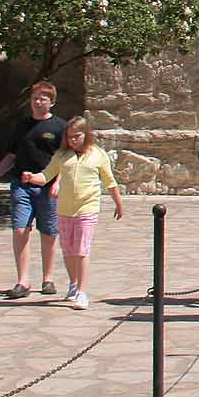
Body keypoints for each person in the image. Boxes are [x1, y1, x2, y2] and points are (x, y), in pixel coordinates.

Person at [24, 117, 124, 309]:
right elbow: (46, 175)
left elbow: (109, 182)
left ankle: (82, 292)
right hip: (64, 209)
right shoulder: (62, 156)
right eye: (69, 137)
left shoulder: (98, 155)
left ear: (86, 135)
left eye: (77, 136)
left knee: (81, 250)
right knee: (69, 250)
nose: (73, 140)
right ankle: (73, 284)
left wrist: (118, 203)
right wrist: (32, 177)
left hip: (87, 207)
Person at [0, 82, 68, 299]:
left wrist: (58, 182)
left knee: (49, 232)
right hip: (22, 185)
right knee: (20, 229)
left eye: (43, 98)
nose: (38, 101)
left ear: (52, 102)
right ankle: (22, 280)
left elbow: (65, 159)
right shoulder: (21, 126)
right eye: (35, 98)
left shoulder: (60, 127)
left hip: (48, 187)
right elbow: (12, 155)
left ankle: (48, 278)